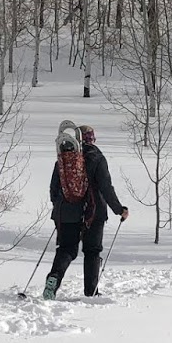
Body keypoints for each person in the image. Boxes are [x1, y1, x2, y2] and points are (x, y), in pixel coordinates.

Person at [44, 121, 128, 299]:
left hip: (65, 213)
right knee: (92, 251)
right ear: (92, 139)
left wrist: (60, 206)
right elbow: (106, 187)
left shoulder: (64, 158)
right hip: (94, 213)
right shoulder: (97, 157)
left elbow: (53, 189)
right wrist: (119, 209)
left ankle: (54, 277)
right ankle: (91, 292)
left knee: (66, 249)